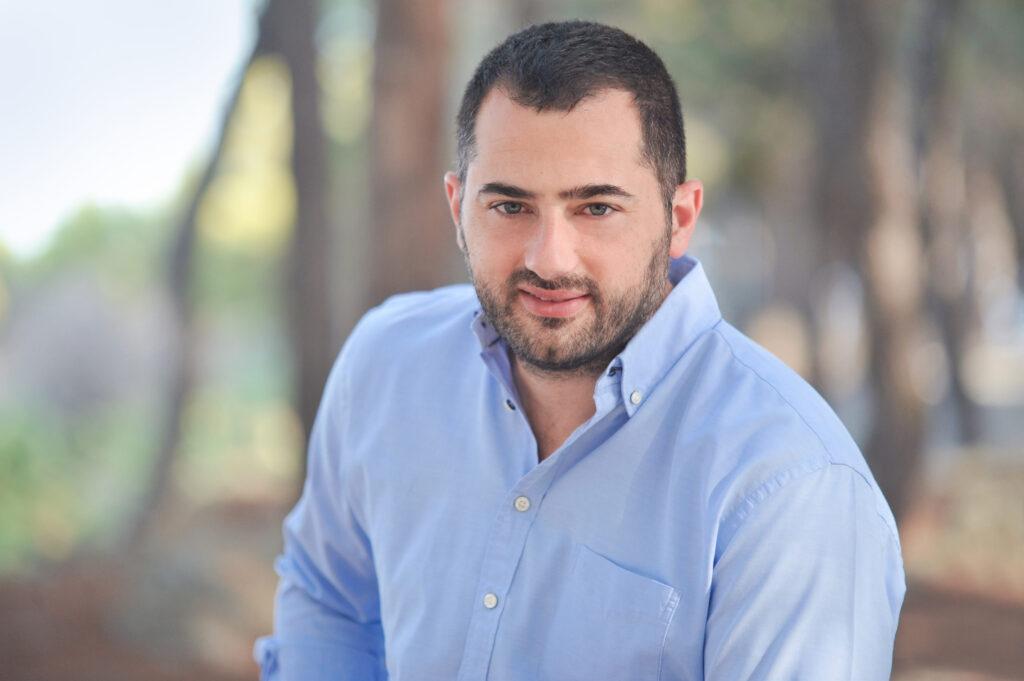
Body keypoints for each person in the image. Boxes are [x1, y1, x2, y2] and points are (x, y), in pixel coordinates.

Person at [254, 20, 905, 681]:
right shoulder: (387, 364)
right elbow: (328, 598)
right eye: (510, 207)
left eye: (596, 208)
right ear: (458, 209)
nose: (549, 260)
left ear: (679, 218)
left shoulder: (791, 486)